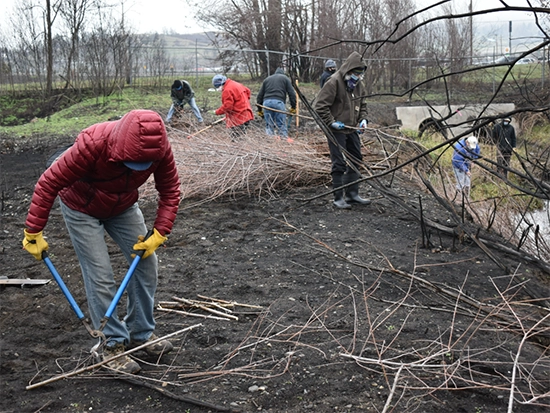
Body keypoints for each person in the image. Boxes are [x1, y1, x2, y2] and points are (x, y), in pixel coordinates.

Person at [22, 109, 181, 374]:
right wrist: (33, 232)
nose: (137, 168)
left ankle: (140, 334)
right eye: (131, 162)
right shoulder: (92, 144)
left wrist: (160, 231)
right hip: (81, 207)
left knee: (146, 264)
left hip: (123, 206)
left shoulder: (159, 148)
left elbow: (170, 189)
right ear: (119, 147)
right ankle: (112, 345)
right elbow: (48, 182)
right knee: (100, 274)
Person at [314, 51, 371, 209]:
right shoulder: (334, 82)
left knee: (356, 157)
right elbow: (320, 106)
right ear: (349, 70)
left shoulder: (358, 85)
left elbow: (362, 105)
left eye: (360, 74)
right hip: (337, 128)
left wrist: (362, 120)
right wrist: (331, 122)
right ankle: (338, 197)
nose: (357, 77)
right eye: (355, 73)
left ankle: (352, 194)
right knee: (339, 162)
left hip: (351, 128)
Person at [256, 68, 297, 137]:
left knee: (269, 125)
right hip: (278, 102)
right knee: (281, 124)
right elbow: (292, 94)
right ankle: (283, 142)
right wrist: (293, 107)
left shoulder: (267, 79)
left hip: (266, 103)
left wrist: (259, 110)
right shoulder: (285, 78)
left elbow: (260, 96)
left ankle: (269, 143)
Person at [212, 74, 254, 139]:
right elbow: (248, 91)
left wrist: (217, 112)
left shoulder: (227, 90)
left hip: (238, 117)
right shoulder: (235, 84)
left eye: (217, 87)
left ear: (220, 85)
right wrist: (242, 101)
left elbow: (227, 107)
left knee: (236, 139)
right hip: (247, 114)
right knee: (242, 136)